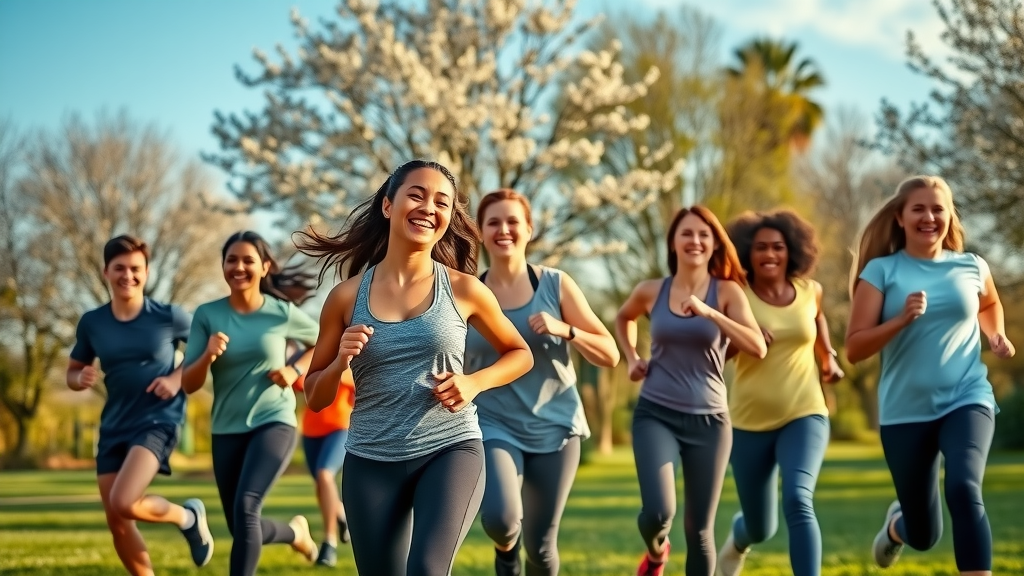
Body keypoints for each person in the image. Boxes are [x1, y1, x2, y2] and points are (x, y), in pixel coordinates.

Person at [297, 159, 534, 576]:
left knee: (426, 568)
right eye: (417, 195)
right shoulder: (345, 298)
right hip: (370, 458)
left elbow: (520, 353)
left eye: (442, 202)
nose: (429, 207)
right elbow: (315, 397)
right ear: (389, 205)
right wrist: (339, 362)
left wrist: (474, 383)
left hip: (449, 447)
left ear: (447, 219)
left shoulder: (464, 289)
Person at [845, 176, 1013, 576]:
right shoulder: (881, 272)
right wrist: (900, 320)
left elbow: (989, 303)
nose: (929, 217)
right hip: (906, 412)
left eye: (938, 208)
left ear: (949, 215)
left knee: (964, 489)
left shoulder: (972, 265)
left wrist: (996, 334)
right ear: (900, 217)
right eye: (918, 209)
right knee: (924, 534)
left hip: (967, 398)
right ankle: (897, 527)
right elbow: (854, 348)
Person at [465, 189, 621, 576]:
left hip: (556, 426)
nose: (504, 230)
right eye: (493, 223)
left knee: (541, 546)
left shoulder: (555, 285)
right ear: (481, 234)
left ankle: (522, 556)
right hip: (493, 424)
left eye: (513, 221)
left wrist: (565, 329)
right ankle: (505, 554)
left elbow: (609, 352)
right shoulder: (467, 290)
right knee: (501, 519)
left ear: (529, 230)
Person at [615, 206, 767, 576]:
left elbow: (757, 346)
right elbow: (624, 317)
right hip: (656, 413)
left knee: (699, 531)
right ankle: (656, 554)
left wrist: (711, 313)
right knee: (657, 513)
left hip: (710, 422)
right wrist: (632, 357)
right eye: (686, 233)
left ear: (715, 243)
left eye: (703, 234)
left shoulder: (727, 291)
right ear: (674, 242)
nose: (695, 241)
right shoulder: (652, 290)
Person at [66, 234, 213, 576]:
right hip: (114, 424)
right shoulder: (92, 322)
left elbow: (203, 349)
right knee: (117, 520)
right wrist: (80, 379)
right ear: (106, 272)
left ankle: (187, 517)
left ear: (146, 272)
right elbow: (73, 371)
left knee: (124, 501)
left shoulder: (168, 316)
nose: (128, 275)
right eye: (119, 268)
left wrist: (176, 378)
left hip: (158, 420)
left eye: (136, 268)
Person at [181, 231, 321, 576]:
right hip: (226, 426)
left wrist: (295, 369)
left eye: (247, 260)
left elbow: (324, 341)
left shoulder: (281, 313)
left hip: (274, 420)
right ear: (223, 266)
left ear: (265, 267)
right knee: (241, 524)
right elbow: (188, 382)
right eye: (231, 260)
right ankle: (294, 533)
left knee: (246, 509)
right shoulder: (207, 315)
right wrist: (207, 356)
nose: (238, 266)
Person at [716, 209, 844, 576]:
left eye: (778, 247)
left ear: (792, 252)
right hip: (746, 423)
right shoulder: (735, 296)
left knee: (798, 499)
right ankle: (740, 539)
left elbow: (816, 318)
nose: (769, 255)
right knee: (761, 526)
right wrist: (745, 340)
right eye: (760, 248)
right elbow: (717, 355)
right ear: (747, 253)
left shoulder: (810, 290)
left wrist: (827, 358)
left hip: (804, 413)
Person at [289, 340, 354, 568]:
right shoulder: (311, 359)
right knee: (320, 482)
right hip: (311, 431)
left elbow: (355, 387)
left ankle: (329, 543)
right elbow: (298, 383)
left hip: (340, 428)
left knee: (325, 475)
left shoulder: (350, 360)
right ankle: (343, 514)